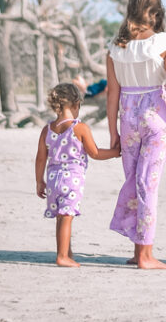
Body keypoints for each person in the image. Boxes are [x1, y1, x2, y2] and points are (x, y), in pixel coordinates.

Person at [107, 0, 166, 270]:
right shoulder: (164, 42)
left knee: (136, 181)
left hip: (128, 117)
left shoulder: (116, 46)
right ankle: (146, 255)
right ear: (156, 10)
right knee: (148, 183)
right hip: (155, 119)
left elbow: (112, 92)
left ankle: (139, 251)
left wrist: (113, 132)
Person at [35, 82, 120, 267]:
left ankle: (67, 252)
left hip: (51, 179)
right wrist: (115, 152)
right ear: (75, 104)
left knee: (60, 216)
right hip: (71, 179)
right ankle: (62, 257)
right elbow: (95, 153)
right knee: (67, 216)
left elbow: (41, 159)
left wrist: (39, 182)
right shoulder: (79, 127)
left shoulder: (47, 130)